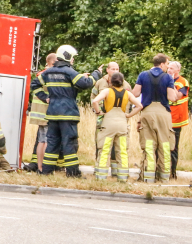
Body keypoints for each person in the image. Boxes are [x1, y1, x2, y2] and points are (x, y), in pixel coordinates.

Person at [33, 45, 101, 177]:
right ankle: (73, 173)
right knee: (69, 143)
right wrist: (96, 74)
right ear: (67, 56)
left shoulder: (48, 72)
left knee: (52, 143)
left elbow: (35, 84)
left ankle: (46, 172)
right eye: (73, 57)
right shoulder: (69, 72)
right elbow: (86, 83)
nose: (73, 60)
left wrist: (45, 98)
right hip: (68, 114)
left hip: (53, 114)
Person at [131, 54, 180, 183]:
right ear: (162, 64)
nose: (168, 67)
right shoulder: (168, 77)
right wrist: (173, 86)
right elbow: (172, 98)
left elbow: (135, 93)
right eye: (167, 64)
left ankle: (148, 177)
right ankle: (164, 177)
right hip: (163, 112)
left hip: (147, 111)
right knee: (164, 145)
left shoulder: (143, 75)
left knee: (148, 145)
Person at [91, 72, 142, 181]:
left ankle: (101, 177)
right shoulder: (127, 93)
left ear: (110, 81)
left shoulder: (107, 91)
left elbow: (95, 101)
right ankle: (123, 177)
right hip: (122, 123)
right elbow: (139, 106)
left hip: (108, 123)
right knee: (122, 151)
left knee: (104, 150)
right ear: (122, 82)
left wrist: (99, 112)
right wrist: (129, 115)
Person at [27, 53, 60, 173]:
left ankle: (40, 167)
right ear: (53, 61)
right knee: (47, 140)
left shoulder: (41, 73)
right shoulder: (50, 75)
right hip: (46, 113)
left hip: (38, 114)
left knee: (41, 141)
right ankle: (46, 168)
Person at [167, 61, 190, 179]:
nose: (169, 70)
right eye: (168, 67)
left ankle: (173, 173)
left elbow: (176, 97)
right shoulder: (165, 79)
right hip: (165, 118)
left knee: (173, 147)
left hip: (176, 119)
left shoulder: (182, 82)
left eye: (172, 68)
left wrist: (171, 83)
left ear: (178, 70)